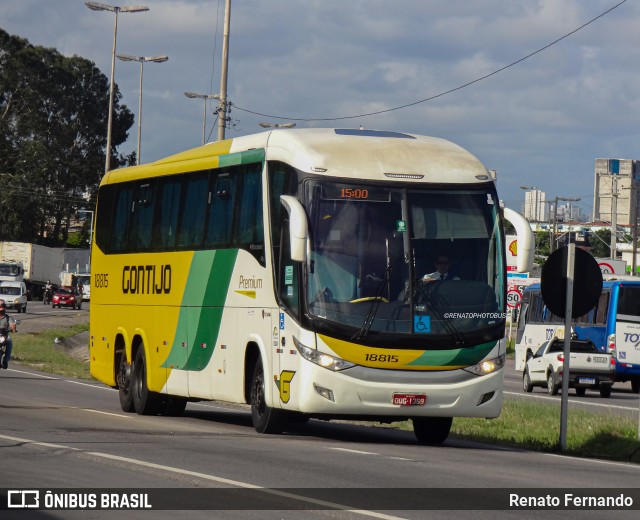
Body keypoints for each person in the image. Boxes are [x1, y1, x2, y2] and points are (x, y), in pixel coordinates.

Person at [0, 299, 17, 369]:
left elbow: (12, 325)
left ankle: (5, 361)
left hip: (4, 336)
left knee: (9, 341)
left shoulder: (8, 318)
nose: (1, 307)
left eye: (3, 305)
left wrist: (13, 328)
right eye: (0, 306)